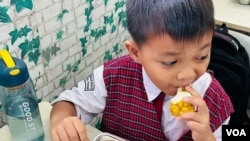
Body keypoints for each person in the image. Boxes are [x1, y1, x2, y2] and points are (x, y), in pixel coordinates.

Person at [50, 0, 234, 141]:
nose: (187, 75)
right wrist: (61, 121)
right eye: (170, 62)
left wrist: (206, 137)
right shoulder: (114, 75)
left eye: (201, 57)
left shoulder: (215, 99)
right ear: (136, 52)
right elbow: (68, 103)